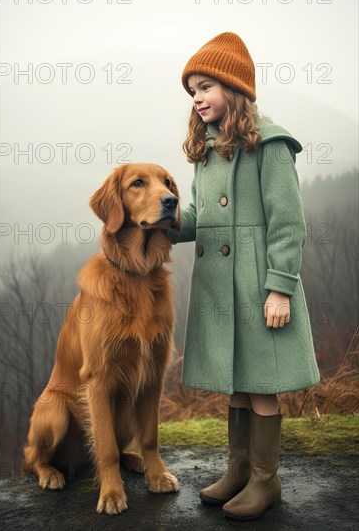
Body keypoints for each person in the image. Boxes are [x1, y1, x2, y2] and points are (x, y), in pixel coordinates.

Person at [169, 32, 321, 520]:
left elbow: (288, 223)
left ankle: (265, 480)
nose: (197, 97)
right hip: (219, 287)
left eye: (206, 85)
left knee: (261, 385)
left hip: (258, 286)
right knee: (235, 383)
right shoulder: (207, 150)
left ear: (235, 89)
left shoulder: (270, 145)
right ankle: (237, 471)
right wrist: (163, 223)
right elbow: (199, 213)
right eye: (192, 89)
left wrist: (280, 289)